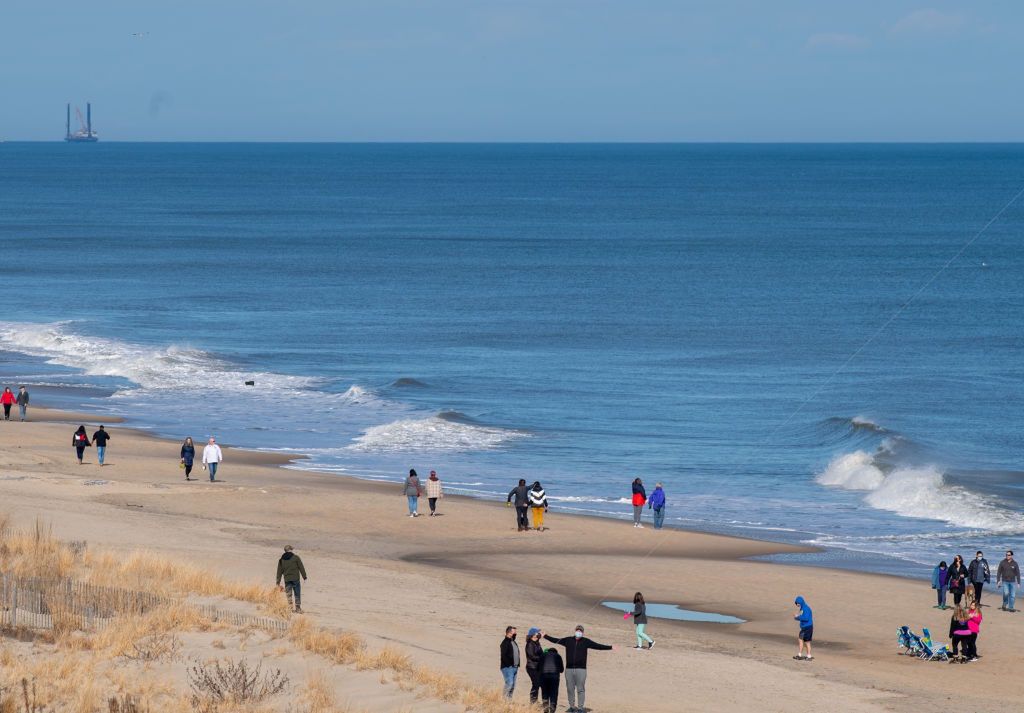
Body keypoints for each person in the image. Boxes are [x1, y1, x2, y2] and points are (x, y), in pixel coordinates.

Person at [542, 625, 614, 713]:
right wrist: (545, 636)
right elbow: (556, 640)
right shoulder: (568, 640)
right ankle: (571, 707)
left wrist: (610, 647)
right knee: (570, 689)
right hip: (569, 669)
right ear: (575, 631)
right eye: (577, 630)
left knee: (580, 689)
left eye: (580, 631)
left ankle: (580, 708)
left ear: (582, 632)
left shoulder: (586, 641)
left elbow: (598, 646)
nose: (579, 632)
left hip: (581, 670)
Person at [275, 545, 307, 613]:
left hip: (287, 579)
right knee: (297, 593)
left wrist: (278, 582)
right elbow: (301, 567)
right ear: (290, 550)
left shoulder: (281, 560)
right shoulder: (296, 558)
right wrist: (304, 577)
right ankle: (298, 608)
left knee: (288, 594)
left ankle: (290, 608)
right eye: (292, 549)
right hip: (295, 579)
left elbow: (279, 572)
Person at [539, 644, 564, 713]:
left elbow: (538, 667)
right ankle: (552, 710)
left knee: (544, 693)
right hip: (554, 677)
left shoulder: (543, 655)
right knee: (554, 693)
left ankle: (545, 710)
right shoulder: (558, 656)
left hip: (544, 676)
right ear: (556, 652)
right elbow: (562, 669)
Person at [499, 626, 520, 699]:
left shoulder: (513, 642)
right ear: (509, 633)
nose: (516, 634)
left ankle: (509, 701)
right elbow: (503, 656)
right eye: (514, 632)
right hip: (508, 667)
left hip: (515, 667)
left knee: (513, 685)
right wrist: (509, 665)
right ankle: (504, 700)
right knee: (509, 683)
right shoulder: (505, 642)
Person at [524, 627, 544, 705]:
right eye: (537, 632)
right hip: (531, 667)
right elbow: (531, 656)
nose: (539, 634)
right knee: (536, 684)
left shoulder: (537, 643)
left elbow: (541, 653)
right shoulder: (529, 644)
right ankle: (533, 702)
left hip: (537, 667)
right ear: (533, 634)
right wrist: (541, 658)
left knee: (537, 684)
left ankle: (534, 701)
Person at [793, 596, 813, 661]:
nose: (797, 605)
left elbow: (806, 618)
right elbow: (802, 617)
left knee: (807, 642)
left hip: (808, 627)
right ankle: (799, 655)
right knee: (800, 640)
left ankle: (809, 656)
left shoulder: (806, 608)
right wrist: (797, 617)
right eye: (796, 603)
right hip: (804, 627)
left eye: (798, 603)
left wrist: (797, 617)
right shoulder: (802, 608)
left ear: (801, 602)